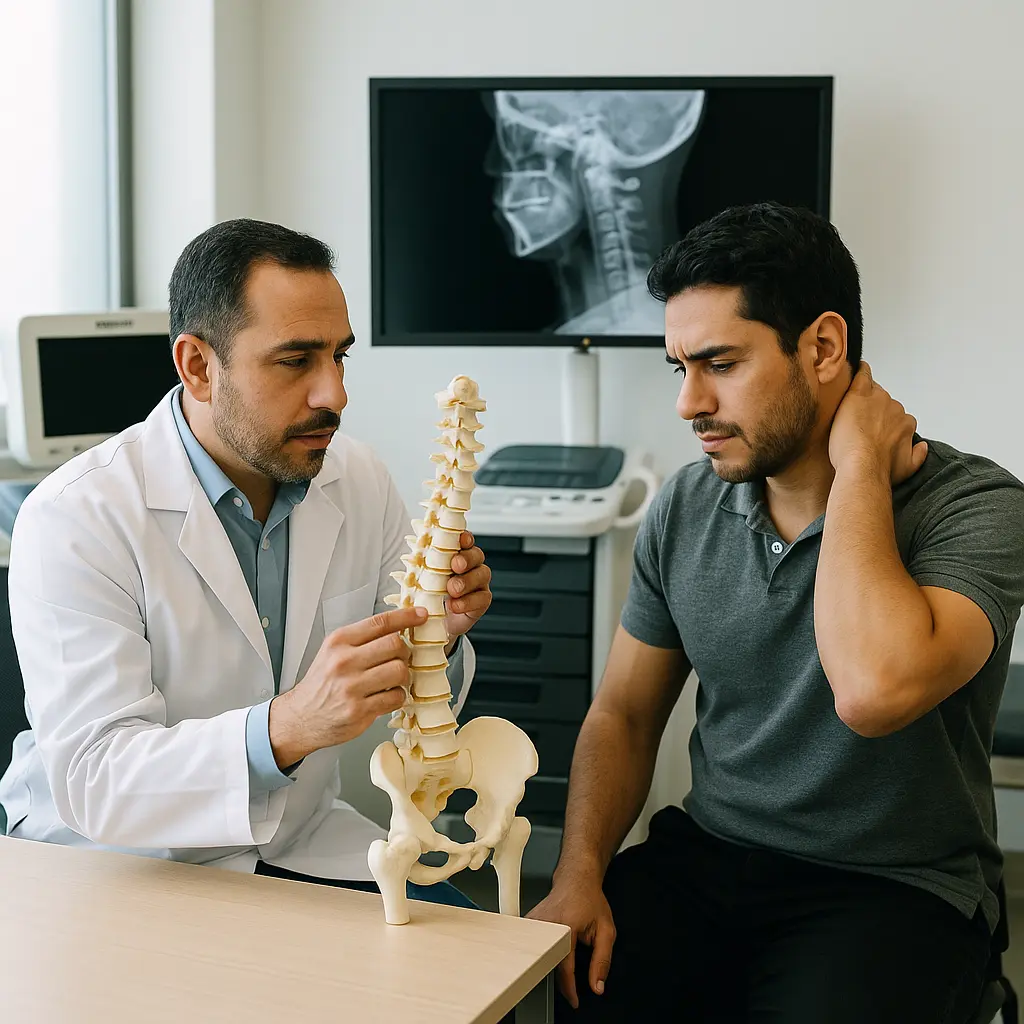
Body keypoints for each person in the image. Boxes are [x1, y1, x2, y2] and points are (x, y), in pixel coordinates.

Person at [528, 202, 1024, 1022]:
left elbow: (872, 691)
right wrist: (578, 873)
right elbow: (621, 714)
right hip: (713, 854)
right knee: (576, 988)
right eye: (678, 368)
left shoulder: (976, 506)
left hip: (894, 886)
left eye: (719, 363)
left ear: (824, 348)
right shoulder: (685, 507)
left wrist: (859, 463)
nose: (690, 403)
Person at [0, 218, 492, 908]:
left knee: (485, 975)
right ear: (198, 367)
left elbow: (404, 704)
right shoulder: (77, 515)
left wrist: (438, 635)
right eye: (296, 361)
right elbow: (95, 778)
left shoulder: (357, 477)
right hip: (116, 860)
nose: (335, 396)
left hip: (299, 842)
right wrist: (289, 726)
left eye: (339, 357)